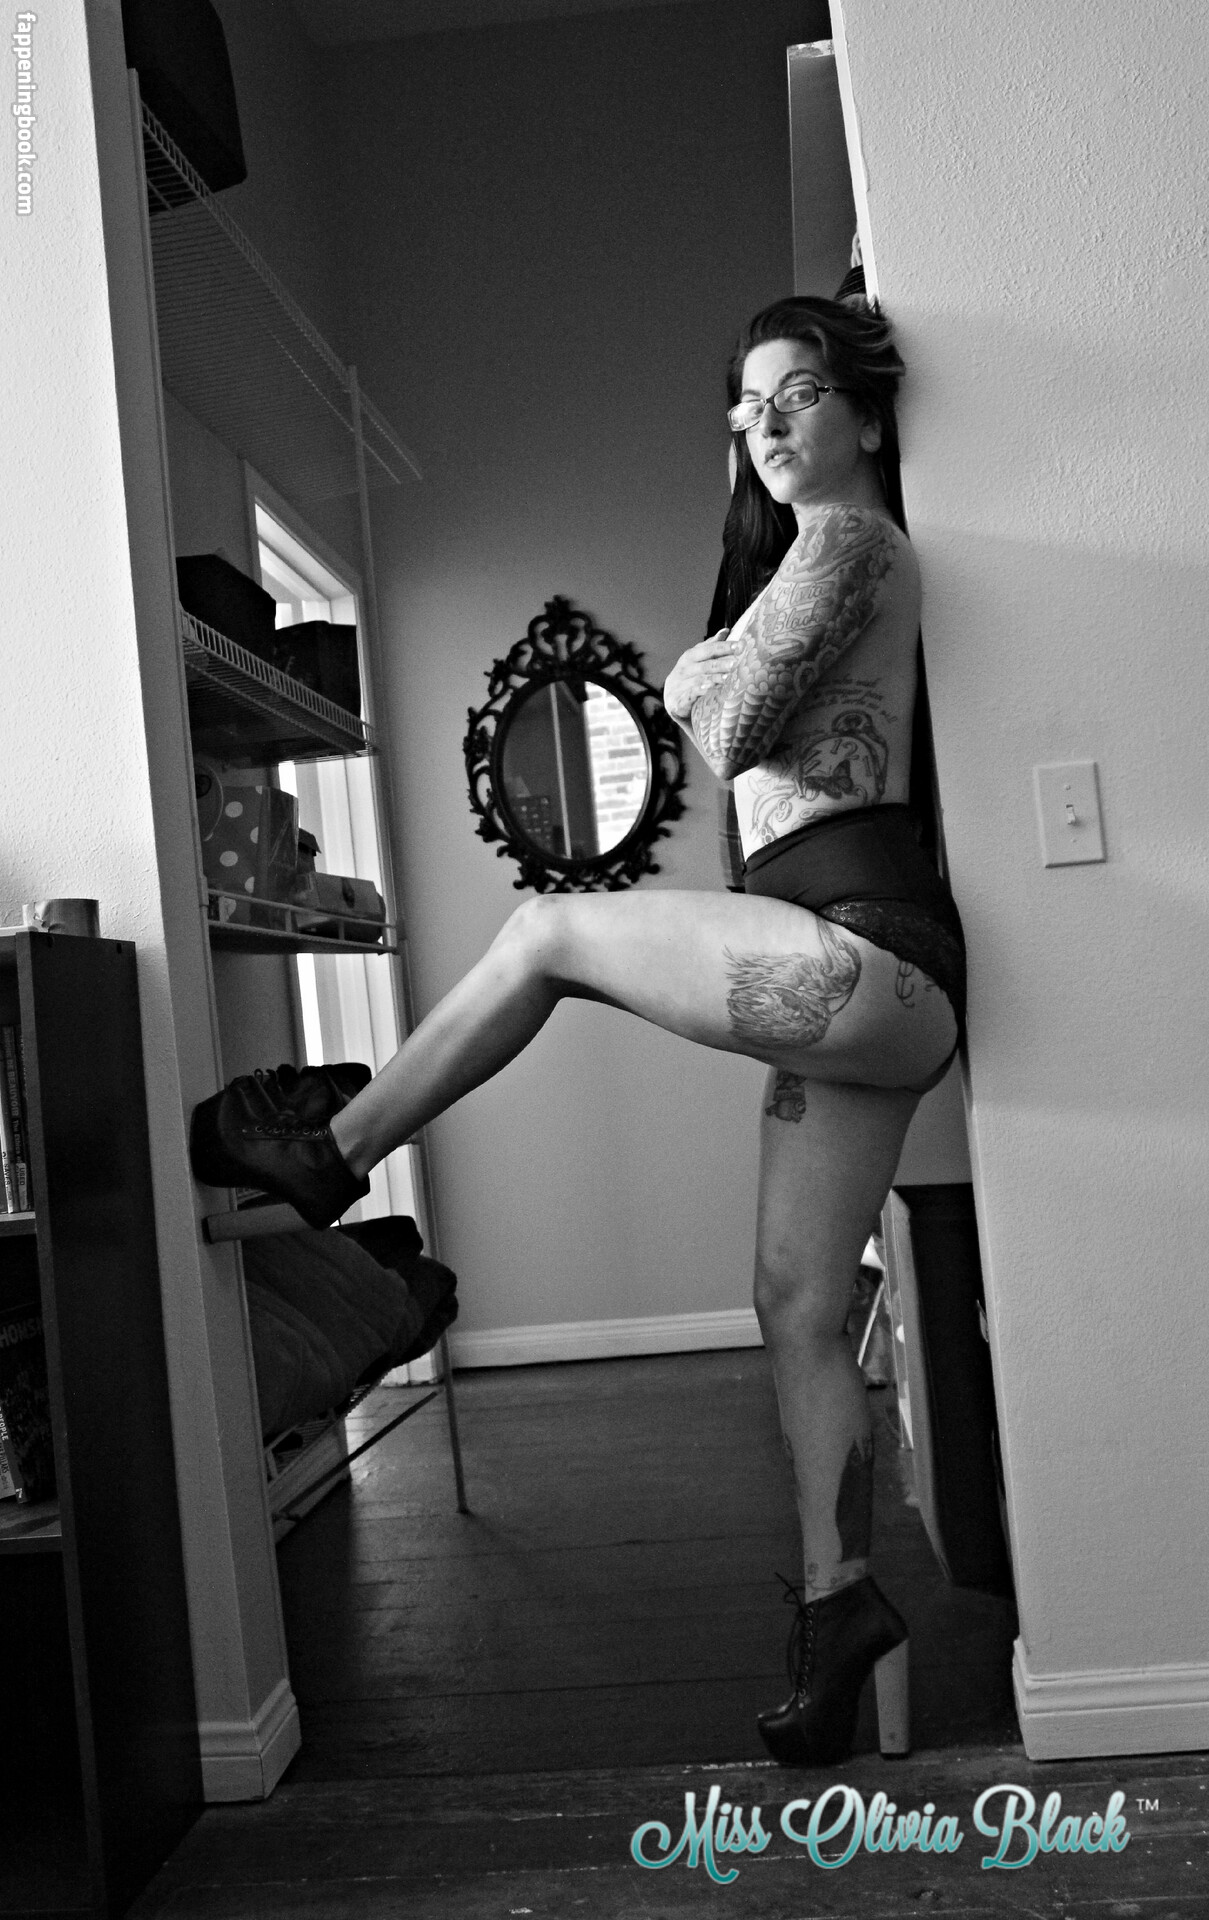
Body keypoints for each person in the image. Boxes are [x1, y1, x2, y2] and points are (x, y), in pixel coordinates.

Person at [191, 294, 965, 1767]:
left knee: (548, 933)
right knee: (795, 1305)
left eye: (799, 394)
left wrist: (688, 674)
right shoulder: (808, 560)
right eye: (746, 410)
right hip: (870, 984)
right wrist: (715, 661)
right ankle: (838, 1610)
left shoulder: (849, 544)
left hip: (861, 951)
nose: (768, 426)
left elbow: (725, 732)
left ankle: (331, 1150)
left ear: (866, 414)